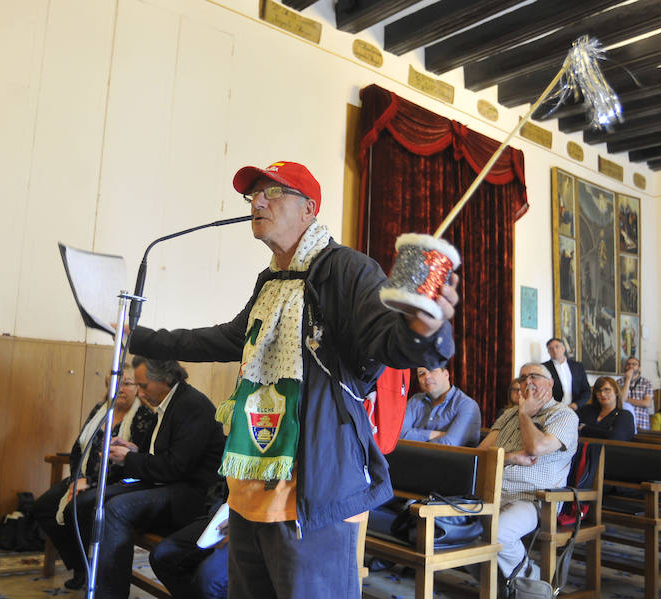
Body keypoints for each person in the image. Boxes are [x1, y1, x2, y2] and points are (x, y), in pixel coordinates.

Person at [128, 161, 459, 598]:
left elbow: (389, 340)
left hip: (314, 492)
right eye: (253, 195)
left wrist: (427, 331)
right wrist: (138, 335)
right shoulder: (272, 280)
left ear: (309, 210)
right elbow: (228, 338)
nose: (257, 202)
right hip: (250, 488)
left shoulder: (346, 269)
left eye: (273, 192)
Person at [89, 357, 226, 599]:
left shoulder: (191, 405)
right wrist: (132, 451)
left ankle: (110, 594)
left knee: (116, 510)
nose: (140, 393)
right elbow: (159, 455)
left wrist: (130, 460)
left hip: (192, 494)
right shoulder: (167, 403)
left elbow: (175, 468)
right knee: (96, 499)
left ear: (164, 379)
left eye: (143, 386)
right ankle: (93, 579)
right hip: (168, 485)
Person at [33, 362, 155, 589]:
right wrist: (75, 478)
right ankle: (79, 563)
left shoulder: (144, 417)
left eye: (127, 383)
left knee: (74, 510)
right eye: (115, 383)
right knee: (42, 507)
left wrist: (88, 483)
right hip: (82, 479)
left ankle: (87, 570)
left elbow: (132, 464)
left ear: (138, 388)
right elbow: (79, 448)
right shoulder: (101, 409)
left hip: (118, 485)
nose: (120, 388)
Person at [479, 362, 578, 581]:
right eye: (523, 378)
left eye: (534, 376)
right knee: (457, 528)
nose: (527, 382)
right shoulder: (508, 415)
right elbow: (480, 455)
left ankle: (532, 587)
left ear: (551, 383)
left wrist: (524, 414)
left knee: (498, 533)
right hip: (491, 491)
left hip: (533, 497)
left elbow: (536, 448)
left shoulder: (563, 416)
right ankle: (500, 585)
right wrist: (510, 458)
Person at [149, 481, 229, 599]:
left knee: (209, 580)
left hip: (258, 524)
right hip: (227, 512)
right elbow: (223, 486)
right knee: (162, 555)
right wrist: (217, 512)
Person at [399, 366, 480, 446]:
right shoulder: (415, 400)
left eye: (432, 370)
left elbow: (449, 444)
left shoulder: (467, 405)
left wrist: (413, 437)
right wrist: (434, 435)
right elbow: (396, 433)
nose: (427, 376)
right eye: (421, 374)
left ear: (446, 374)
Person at [542, 337, 591, 408]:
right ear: (548, 352)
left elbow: (586, 391)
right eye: (551, 349)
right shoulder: (544, 368)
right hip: (554, 410)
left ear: (563, 348)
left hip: (577, 409)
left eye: (557, 347)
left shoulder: (577, 366)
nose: (554, 350)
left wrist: (576, 405)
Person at [616, 356, 654, 431]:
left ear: (639, 368)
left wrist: (628, 400)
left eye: (634, 364)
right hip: (624, 422)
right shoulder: (619, 382)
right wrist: (628, 379)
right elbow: (621, 400)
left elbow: (647, 403)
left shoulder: (647, 383)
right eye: (628, 364)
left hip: (641, 422)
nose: (631, 366)